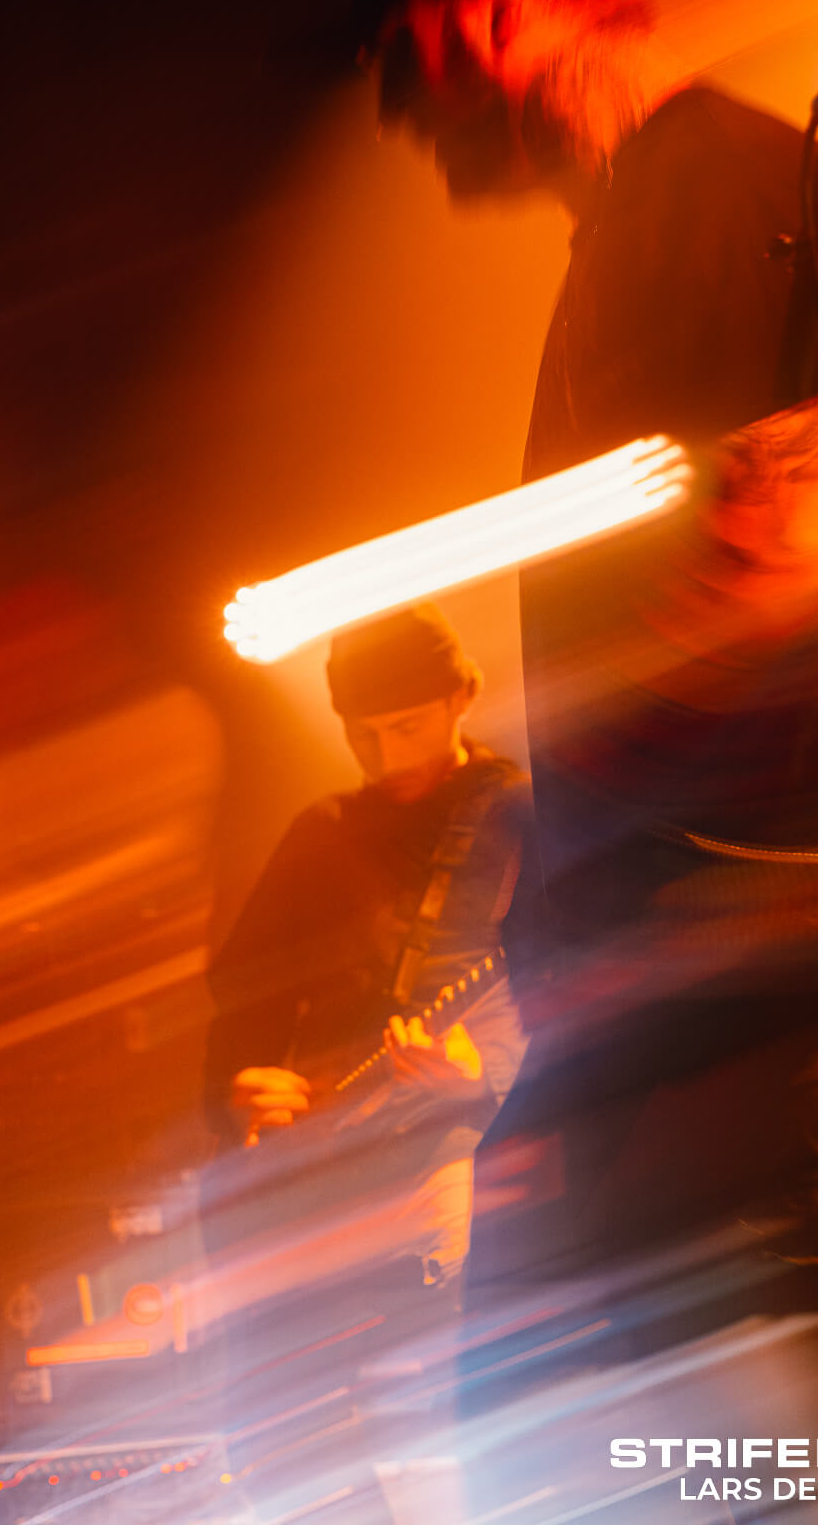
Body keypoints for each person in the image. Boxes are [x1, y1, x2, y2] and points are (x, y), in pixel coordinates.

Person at [348, 0, 818, 1521]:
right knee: (584, 1425)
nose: (393, 111)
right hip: (692, 975)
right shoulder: (660, 224)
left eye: (402, 52)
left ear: (500, 6)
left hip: (771, 951)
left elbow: (785, 568)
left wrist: (587, 901)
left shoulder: (708, 204)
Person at [203, 604, 529, 1520]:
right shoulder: (325, 831)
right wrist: (239, 1092)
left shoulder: (523, 822)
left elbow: (590, 990)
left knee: (423, 1416)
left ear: (463, 695)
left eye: (409, 727)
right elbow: (241, 1000)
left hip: (465, 1166)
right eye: (364, 733)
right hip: (323, 1169)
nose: (388, 759)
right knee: (292, 1430)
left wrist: (487, 1071)